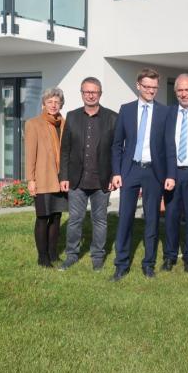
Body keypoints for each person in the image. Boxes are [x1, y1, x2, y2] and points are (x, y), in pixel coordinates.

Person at [111, 68, 173, 281]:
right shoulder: (126, 110)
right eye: (147, 86)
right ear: (138, 86)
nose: (151, 91)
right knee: (125, 218)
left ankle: (148, 264)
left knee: (152, 219)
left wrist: (169, 174)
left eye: (154, 87)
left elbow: (169, 146)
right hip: (130, 170)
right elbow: (117, 144)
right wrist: (116, 172)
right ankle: (121, 264)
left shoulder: (164, 112)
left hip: (154, 172)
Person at [58, 77, 119, 271]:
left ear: (100, 93)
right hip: (76, 180)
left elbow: (117, 150)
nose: (90, 95)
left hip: (102, 180)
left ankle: (98, 257)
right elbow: (65, 150)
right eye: (86, 92)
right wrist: (64, 176)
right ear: (82, 93)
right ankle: (71, 255)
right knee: (75, 220)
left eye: (94, 92)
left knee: (100, 220)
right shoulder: (72, 116)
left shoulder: (112, 117)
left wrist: (114, 175)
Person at [161, 74, 188, 273]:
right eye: (180, 90)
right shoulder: (168, 113)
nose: (184, 93)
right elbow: (163, 145)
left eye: (187, 89)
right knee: (171, 216)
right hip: (173, 173)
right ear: (175, 92)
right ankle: (170, 256)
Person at [25, 88, 68, 268]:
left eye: (57, 102)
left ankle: (53, 253)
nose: (53, 105)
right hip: (43, 178)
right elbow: (30, 154)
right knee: (43, 217)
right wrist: (31, 179)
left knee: (56, 217)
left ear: (61, 104)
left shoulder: (65, 124)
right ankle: (42, 258)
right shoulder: (33, 124)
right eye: (50, 102)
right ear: (43, 104)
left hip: (61, 179)